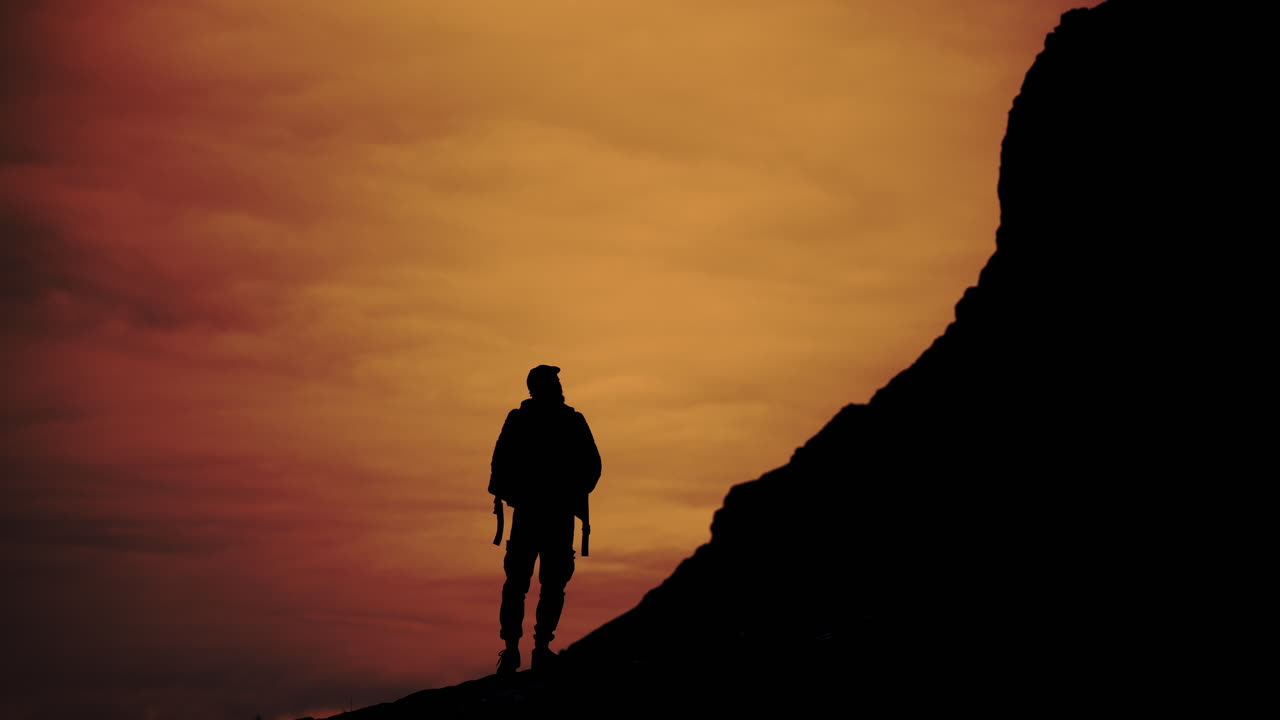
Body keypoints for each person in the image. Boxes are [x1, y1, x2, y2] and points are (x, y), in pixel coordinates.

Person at [489, 365, 601, 674]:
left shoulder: (568, 421)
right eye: (553, 381)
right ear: (540, 387)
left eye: (558, 381)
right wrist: (517, 493)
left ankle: (536, 648)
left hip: (553, 514)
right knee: (522, 584)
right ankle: (514, 649)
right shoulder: (526, 420)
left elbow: (592, 466)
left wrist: (572, 491)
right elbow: (500, 466)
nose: (559, 385)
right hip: (536, 513)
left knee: (548, 584)